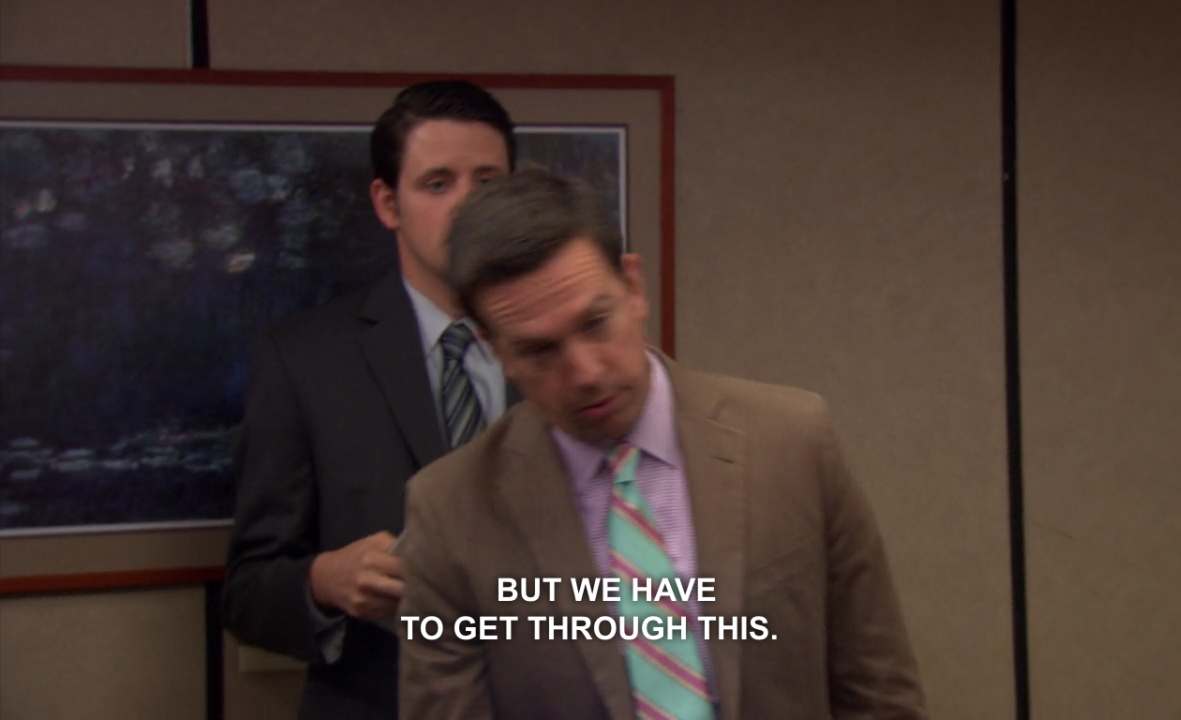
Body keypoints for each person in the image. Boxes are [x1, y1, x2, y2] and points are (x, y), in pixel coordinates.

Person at [397, 170, 929, 719]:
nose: (585, 372)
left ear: (633, 287)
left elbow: (879, 691)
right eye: (539, 351)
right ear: (494, 349)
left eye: (595, 323)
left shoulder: (791, 442)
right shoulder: (451, 513)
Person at [221, 80, 519, 719]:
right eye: (437, 184)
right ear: (389, 204)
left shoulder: (566, 351)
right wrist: (322, 582)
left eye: (488, 183)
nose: (468, 206)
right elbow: (247, 592)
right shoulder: (304, 360)